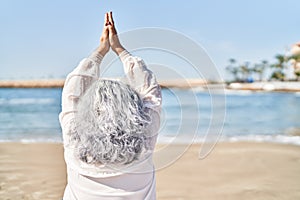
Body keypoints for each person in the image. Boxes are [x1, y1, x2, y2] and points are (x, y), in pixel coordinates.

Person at [59, 12, 162, 200]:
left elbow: (72, 91)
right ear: (132, 109)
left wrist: (100, 51)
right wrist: (120, 49)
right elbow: (150, 91)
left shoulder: (75, 143)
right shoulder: (145, 141)